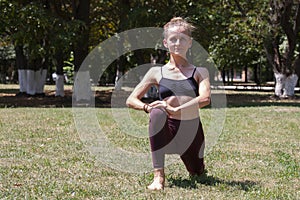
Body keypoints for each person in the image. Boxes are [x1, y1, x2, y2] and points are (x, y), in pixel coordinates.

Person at [126, 17, 211, 190]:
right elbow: (131, 99)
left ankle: (197, 166)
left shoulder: (200, 72)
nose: (177, 43)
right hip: (167, 130)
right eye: (173, 39)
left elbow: (205, 98)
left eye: (182, 39)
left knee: (197, 172)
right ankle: (158, 176)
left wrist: (177, 108)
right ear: (166, 43)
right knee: (157, 113)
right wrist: (148, 107)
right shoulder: (155, 72)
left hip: (191, 130)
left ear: (190, 43)